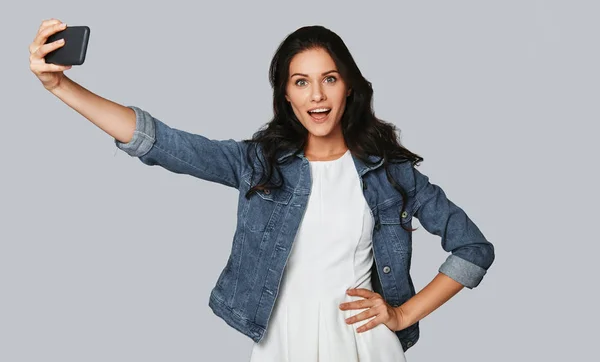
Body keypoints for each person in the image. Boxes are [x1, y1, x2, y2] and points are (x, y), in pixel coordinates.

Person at [29, 19, 495, 361]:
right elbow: (161, 143)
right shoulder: (258, 165)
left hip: (362, 346)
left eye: (329, 79)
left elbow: (473, 248)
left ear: (348, 87)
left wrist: (403, 315)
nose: (317, 95)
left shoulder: (390, 174)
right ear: (286, 95)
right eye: (301, 82)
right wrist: (60, 86)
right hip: (280, 343)